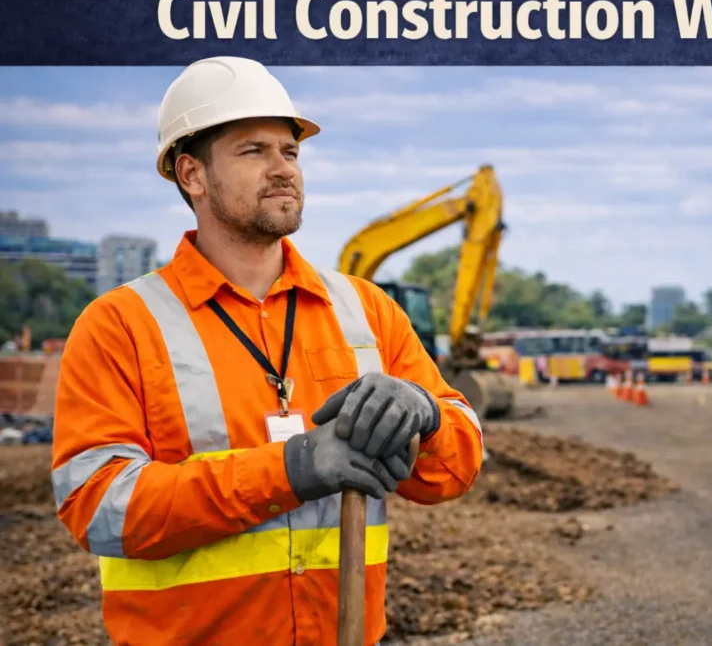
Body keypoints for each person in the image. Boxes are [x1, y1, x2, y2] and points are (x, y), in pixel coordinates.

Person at [49, 56, 484, 646]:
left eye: (291, 152)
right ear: (192, 174)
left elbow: (452, 472)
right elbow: (99, 508)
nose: (283, 169)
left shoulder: (366, 309)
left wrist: (427, 414)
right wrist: (290, 469)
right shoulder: (120, 325)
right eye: (253, 151)